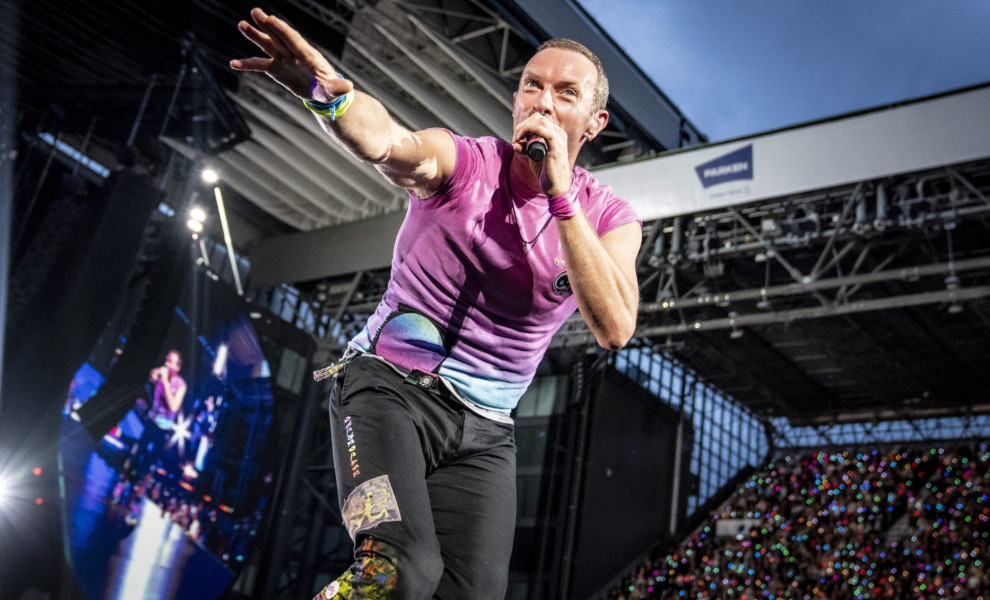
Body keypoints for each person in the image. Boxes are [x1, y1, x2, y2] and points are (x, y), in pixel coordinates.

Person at [231, 8, 641, 599]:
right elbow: (389, 142)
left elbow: (615, 327)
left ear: (594, 123)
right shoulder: (467, 162)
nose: (544, 103)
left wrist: (559, 196)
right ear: (516, 101)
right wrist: (331, 100)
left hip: (486, 431)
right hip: (386, 389)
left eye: (566, 93)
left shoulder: (608, 217)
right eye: (532, 86)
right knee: (398, 569)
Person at [148, 349, 187, 427]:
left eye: (170, 362)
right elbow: (151, 377)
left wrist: (165, 382)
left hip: (164, 424)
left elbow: (173, 407)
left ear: (177, 367)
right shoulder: (161, 374)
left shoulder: (181, 385)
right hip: (153, 418)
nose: (166, 364)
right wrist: (154, 374)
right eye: (167, 360)